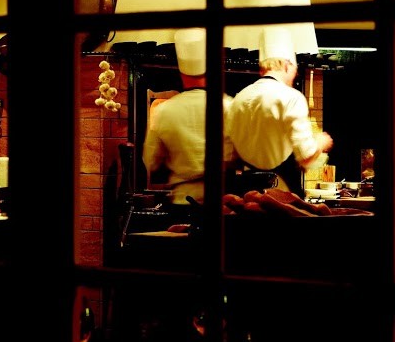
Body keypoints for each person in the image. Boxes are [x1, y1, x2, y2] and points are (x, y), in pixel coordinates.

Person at [227, 27, 332, 198]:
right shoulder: (291, 97)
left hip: (245, 196)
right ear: (285, 65)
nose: (295, 74)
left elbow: (229, 156)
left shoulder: (238, 99)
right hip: (281, 194)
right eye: (294, 69)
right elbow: (306, 156)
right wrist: (320, 142)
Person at [142, 27, 235, 207]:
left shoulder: (163, 110)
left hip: (183, 201)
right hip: (222, 202)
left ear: (182, 73)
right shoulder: (229, 106)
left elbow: (151, 160)